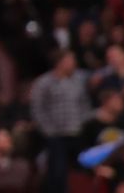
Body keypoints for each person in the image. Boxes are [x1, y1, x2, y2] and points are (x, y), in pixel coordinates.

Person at [29, 50, 90, 193]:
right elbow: (37, 109)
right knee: (57, 173)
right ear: (60, 62)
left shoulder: (77, 81)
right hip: (56, 136)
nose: (74, 63)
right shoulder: (43, 83)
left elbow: (84, 104)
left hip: (77, 132)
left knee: (81, 172)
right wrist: (48, 131)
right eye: (71, 60)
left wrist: (83, 121)